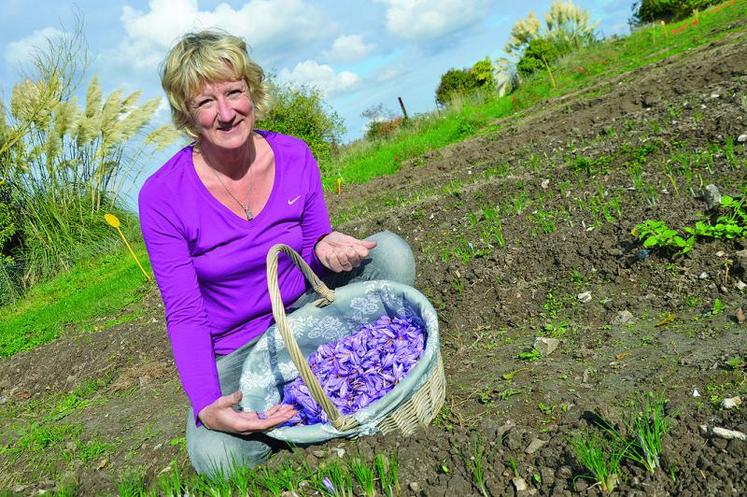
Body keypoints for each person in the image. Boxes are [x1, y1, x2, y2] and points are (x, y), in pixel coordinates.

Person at [138, 30, 415, 476]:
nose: (226, 113)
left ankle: (323, 390)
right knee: (216, 458)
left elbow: (313, 245)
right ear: (187, 115)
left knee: (391, 255)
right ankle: (295, 411)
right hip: (238, 350)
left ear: (252, 91)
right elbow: (185, 311)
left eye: (234, 92)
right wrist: (208, 405)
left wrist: (327, 245)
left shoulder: (293, 155)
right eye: (206, 102)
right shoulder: (162, 197)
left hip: (308, 314)